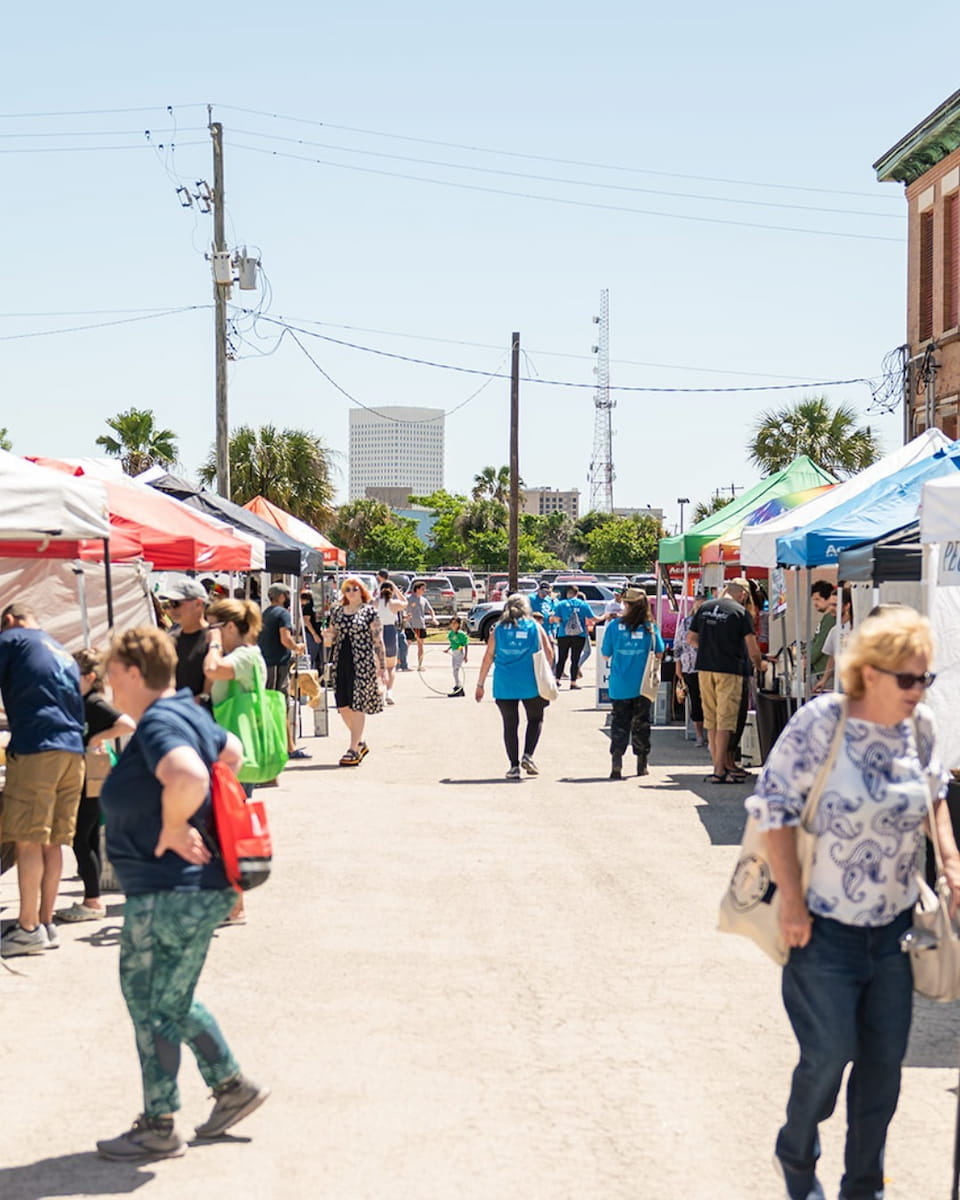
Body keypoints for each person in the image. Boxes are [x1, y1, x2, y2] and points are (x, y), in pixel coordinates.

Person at [748, 607, 960, 1200]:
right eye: (910, 680)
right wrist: (791, 902)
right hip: (822, 930)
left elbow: (936, 792)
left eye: (927, 680)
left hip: (894, 931)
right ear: (870, 673)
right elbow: (772, 809)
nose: (920, 692)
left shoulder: (918, 728)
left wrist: (951, 861)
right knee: (829, 1055)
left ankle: (863, 1188)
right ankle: (796, 1151)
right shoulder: (822, 723)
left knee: (883, 1072)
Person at [96, 627, 269, 1162]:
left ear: (130, 672)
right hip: (191, 887)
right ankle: (231, 1087)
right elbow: (232, 753)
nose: (107, 686)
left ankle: (159, 1123)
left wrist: (175, 825)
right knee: (166, 998)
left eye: (110, 675)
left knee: (151, 1002)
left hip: (170, 889)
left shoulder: (161, 722)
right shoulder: (188, 712)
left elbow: (189, 773)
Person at [0, 603, 86, 956]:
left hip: (38, 750)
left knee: (27, 840)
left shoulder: (13, 639)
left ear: (8, 620)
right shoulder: (58, 648)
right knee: (52, 842)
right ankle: (46, 923)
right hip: (72, 752)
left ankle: (26, 927)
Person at [55, 648, 136, 924]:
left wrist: (96, 738)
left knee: (81, 837)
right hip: (90, 773)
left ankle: (93, 900)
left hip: (93, 773)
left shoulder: (94, 702)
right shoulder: (81, 700)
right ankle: (92, 897)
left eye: (72, 674)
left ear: (89, 677)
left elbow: (127, 724)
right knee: (86, 837)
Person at [204, 598, 270, 927]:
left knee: (229, 829)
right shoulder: (244, 655)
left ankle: (235, 905)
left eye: (214, 626)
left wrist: (213, 645)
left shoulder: (244, 655)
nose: (209, 632)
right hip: (229, 752)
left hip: (235, 754)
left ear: (230, 627)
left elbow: (212, 670)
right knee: (225, 826)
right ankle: (230, 901)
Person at [687, 578, 762, 785]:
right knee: (726, 720)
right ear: (743, 595)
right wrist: (760, 664)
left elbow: (691, 638)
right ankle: (720, 770)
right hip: (729, 670)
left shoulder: (705, 608)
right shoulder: (740, 612)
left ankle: (716, 766)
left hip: (704, 668)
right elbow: (752, 647)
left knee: (711, 719)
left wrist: (709, 648)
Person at [475, 593, 554, 780]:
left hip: (504, 682)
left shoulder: (498, 629)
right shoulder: (535, 626)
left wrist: (480, 684)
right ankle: (528, 755)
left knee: (510, 725)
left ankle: (514, 766)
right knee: (535, 718)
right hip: (531, 681)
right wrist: (548, 673)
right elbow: (549, 654)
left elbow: (488, 657)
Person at [322, 577, 388, 767]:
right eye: (347, 589)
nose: (350, 592)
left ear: (362, 591)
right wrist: (328, 636)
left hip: (362, 662)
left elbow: (378, 640)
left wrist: (382, 665)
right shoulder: (337, 611)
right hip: (341, 660)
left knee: (357, 703)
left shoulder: (369, 612)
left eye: (354, 589)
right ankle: (359, 741)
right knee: (343, 706)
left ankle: (353, 749)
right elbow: (332, 634)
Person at [601, 587, 664, 779]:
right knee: (641, 723)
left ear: (627, 604)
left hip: (620, 684)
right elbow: (659, 652)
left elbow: (605, 654)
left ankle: (617, 761)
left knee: (620, 722)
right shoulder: (650, 627)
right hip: (643, 685)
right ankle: (641, 763)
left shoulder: (614, 626)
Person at [258, 582, 309, 760]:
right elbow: (285, 639)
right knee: (280, 705)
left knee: (270, 705)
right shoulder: (282, 614)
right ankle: (288, 747)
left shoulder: (265, 613)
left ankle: (279, 744)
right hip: (277, 666)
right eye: (287, 596)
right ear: (281, 597)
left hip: (266, 664)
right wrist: (298, 647)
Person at [159, 578, 210, 704]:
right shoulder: (169, 639)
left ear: (198, 604)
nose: (171, 609)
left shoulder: (215, 638)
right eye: (169, 604)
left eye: (176, 603)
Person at [673, 596, 706, 748]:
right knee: (696, 701)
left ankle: (711, 737)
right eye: (697, 606)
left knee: (709, 702)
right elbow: (678, 645)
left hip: (709, 667)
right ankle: (699, 735)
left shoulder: (711, 623)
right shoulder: (686, 623)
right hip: (689, 667)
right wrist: (678, 665)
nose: (699, 610)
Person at [550, 585, 595, 689]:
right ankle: (573, 683)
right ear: (577, 593)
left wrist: (560, 621)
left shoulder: (561, 604)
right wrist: (604, 617)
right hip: (579, 635)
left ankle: (557, 680)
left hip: (563, 634)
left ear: (568, 593)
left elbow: (555, 618)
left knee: (562, 658)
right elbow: (593, 618)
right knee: (575, 659)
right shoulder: (583, 605)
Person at [813, 587, 853, 694]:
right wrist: (824, 680)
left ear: (847, 606)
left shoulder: (857, 628)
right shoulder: (834, 631)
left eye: (835, 605)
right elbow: (832, 657)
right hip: (839, 683)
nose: (831, 608)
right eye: (830, 604)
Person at [375, 581, 406, 704]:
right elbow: (405, 602)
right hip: (390, 632)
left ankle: (379, 691)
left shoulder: (376, 602)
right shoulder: (394, 604)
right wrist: (397, 591)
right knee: (390, 666)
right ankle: (389, 692)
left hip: (377, 631)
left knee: (378, 666)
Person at [809, 579, 836, 687]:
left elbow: (820, 644)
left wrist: (808, 659)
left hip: (824, 674)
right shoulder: (827, 618)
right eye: (813, 599)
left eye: (817, 599)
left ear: (828, 598)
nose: (815, 603)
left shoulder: (830, 619)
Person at [406, 581, 438, 670]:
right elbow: (402, 608)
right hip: (410, 625)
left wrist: (433, 618)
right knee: (406, 645)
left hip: (420, 625)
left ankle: (420, 665)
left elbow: (431, 610)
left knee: (420, 645)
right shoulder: (408, 598)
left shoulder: (424, 600)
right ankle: (403, 664)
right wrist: (405, 616)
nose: (424, 590)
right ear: (417, 589)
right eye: (422, 589)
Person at [445, 616, 469, 697]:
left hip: (459, 653)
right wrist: (448, 649)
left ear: (458, 624)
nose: (453, 625)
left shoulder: (461, 634)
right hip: (454, 653)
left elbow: (465, 644)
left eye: (455, 623)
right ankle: (458, 687)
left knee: (456, 670)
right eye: (452, 623)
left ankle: (458, 687)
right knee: (454, 670)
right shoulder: (451, 634)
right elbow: (453, 643)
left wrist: (466, 655)